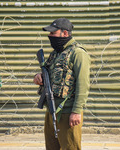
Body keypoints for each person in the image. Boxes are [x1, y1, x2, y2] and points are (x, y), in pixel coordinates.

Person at [33, 18, 90, 150]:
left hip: (68, 112)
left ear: (65, 33)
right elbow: (47, 72)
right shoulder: (56, 54)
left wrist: (76, 111)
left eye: (53, 33)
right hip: (51, 110)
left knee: (70, 147)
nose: (49, 36)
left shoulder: (78, 53)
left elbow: (83, 84)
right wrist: (38, 77)